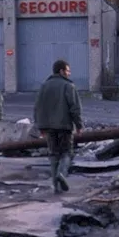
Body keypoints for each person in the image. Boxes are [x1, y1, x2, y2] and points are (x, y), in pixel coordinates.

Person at [33, 59, 82, 193]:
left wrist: (40, 126)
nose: (69, 73)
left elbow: (37, 107)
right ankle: (61, 174)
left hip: (48, 127)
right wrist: (79, 125)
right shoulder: (68, 86)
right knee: (67, 152)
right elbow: (74, 108)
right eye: (67, 70)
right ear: (61, 71)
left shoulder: (44, 86)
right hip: (64, 126)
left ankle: (56, 186)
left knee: (53, 154)